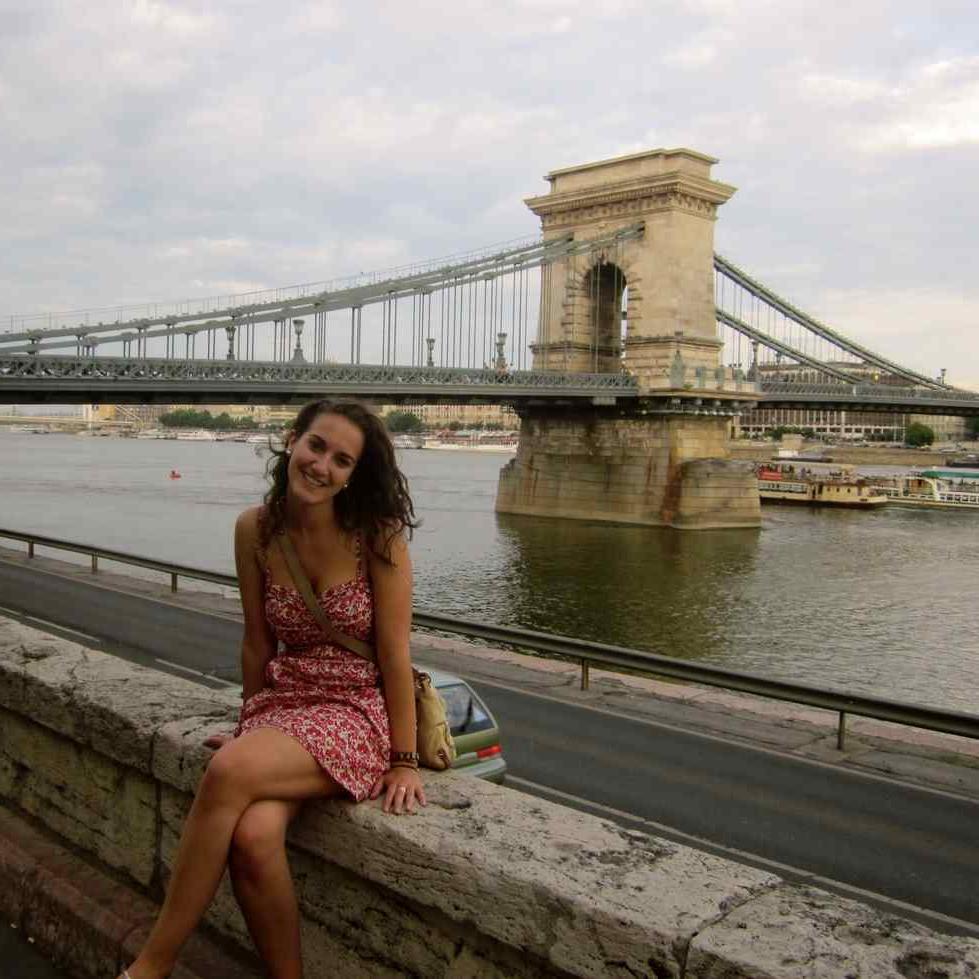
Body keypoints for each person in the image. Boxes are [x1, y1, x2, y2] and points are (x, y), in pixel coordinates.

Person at [120, 399, 423, 979]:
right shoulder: (255, 530)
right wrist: (247, 729)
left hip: (354, 709)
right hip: (283, 704)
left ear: (354, 474)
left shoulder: (378, 538)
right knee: (255, 837)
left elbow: (395, 655)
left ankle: (149, 968)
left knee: (229, 775)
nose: (322, 466)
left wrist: (405, 761)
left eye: (342, 460)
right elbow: (257, 642)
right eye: (316, 446)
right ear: (291, 440)